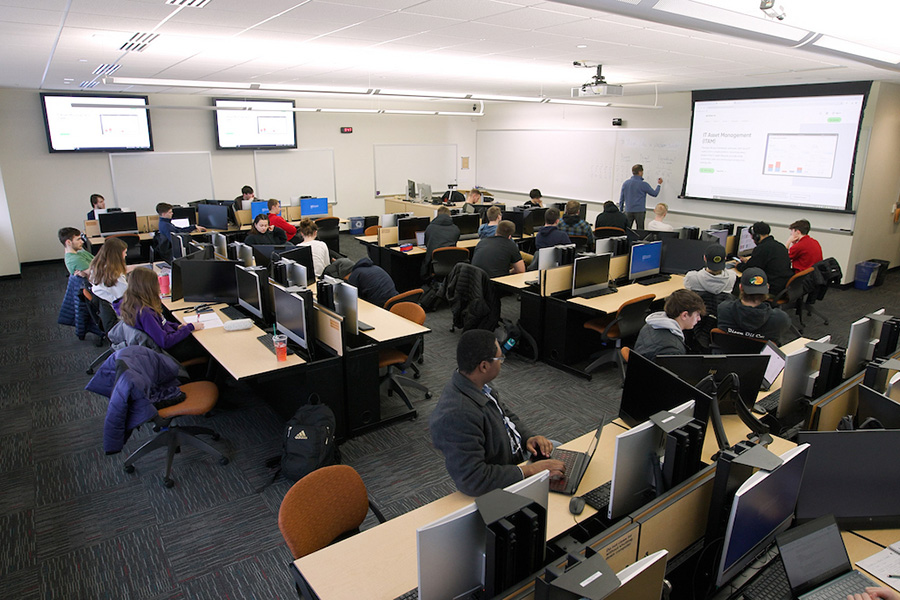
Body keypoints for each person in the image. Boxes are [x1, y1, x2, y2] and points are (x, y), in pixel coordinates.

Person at [430, 329, 565, 496]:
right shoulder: (458, 415)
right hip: (502, 475)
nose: (502, 362)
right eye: (500, 359)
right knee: (560, 485)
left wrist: (528, 438)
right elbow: (473, 479)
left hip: (513, 453)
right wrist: (531, 470)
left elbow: (505, 415)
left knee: (560, 450)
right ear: (484, 366)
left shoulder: (476, 384)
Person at [115, 268, 205, 362]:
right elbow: (165, 342)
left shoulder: (131, 303)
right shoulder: (145, 313)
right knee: (204, 346)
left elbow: (161, 323)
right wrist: (190, 327)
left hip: (162, 343)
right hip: (166, 352)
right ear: (149, 287)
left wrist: (176, 327)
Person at [717, 268, 791, 344]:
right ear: (767, 288)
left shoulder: (723, 310)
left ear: (740, 287)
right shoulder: (780, 319)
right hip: (762, 352)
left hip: (728, 350)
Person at [633, 289, 706, 361]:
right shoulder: (672, 350)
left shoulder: (650, 325)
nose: (699, 319)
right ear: (684, 315)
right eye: (697, 315)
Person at [735, 221, 793, 296]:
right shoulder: (779, 246)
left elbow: (749, 269)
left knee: (737, 285)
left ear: (756, 236)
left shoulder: (762, 248)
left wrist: (738, 265)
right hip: (782, 286)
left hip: (771, 288)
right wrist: (750, 261)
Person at [619, 164, 662, 229]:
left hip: (628, 210)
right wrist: (659, 185)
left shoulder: (626, 183)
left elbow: (621, 198)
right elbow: (654, 194)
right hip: (639, 211)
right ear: (640, 172)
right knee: (640, 230)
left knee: (627, 230)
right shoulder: (643, 184)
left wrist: (621, 210)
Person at [89, 237, 130, 305]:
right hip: (120, 306)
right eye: (125, 252)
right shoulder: (115, 277)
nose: (126, 255)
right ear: (117, 255)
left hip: (107, 304)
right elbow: (127, 295)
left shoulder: (97, 267)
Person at [423, 206, 460, 277]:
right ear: (449, 215)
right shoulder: (456, 229)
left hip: (434, 265)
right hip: (451, 265)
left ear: (437, 215)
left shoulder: (430, 228)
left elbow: (426, 244)